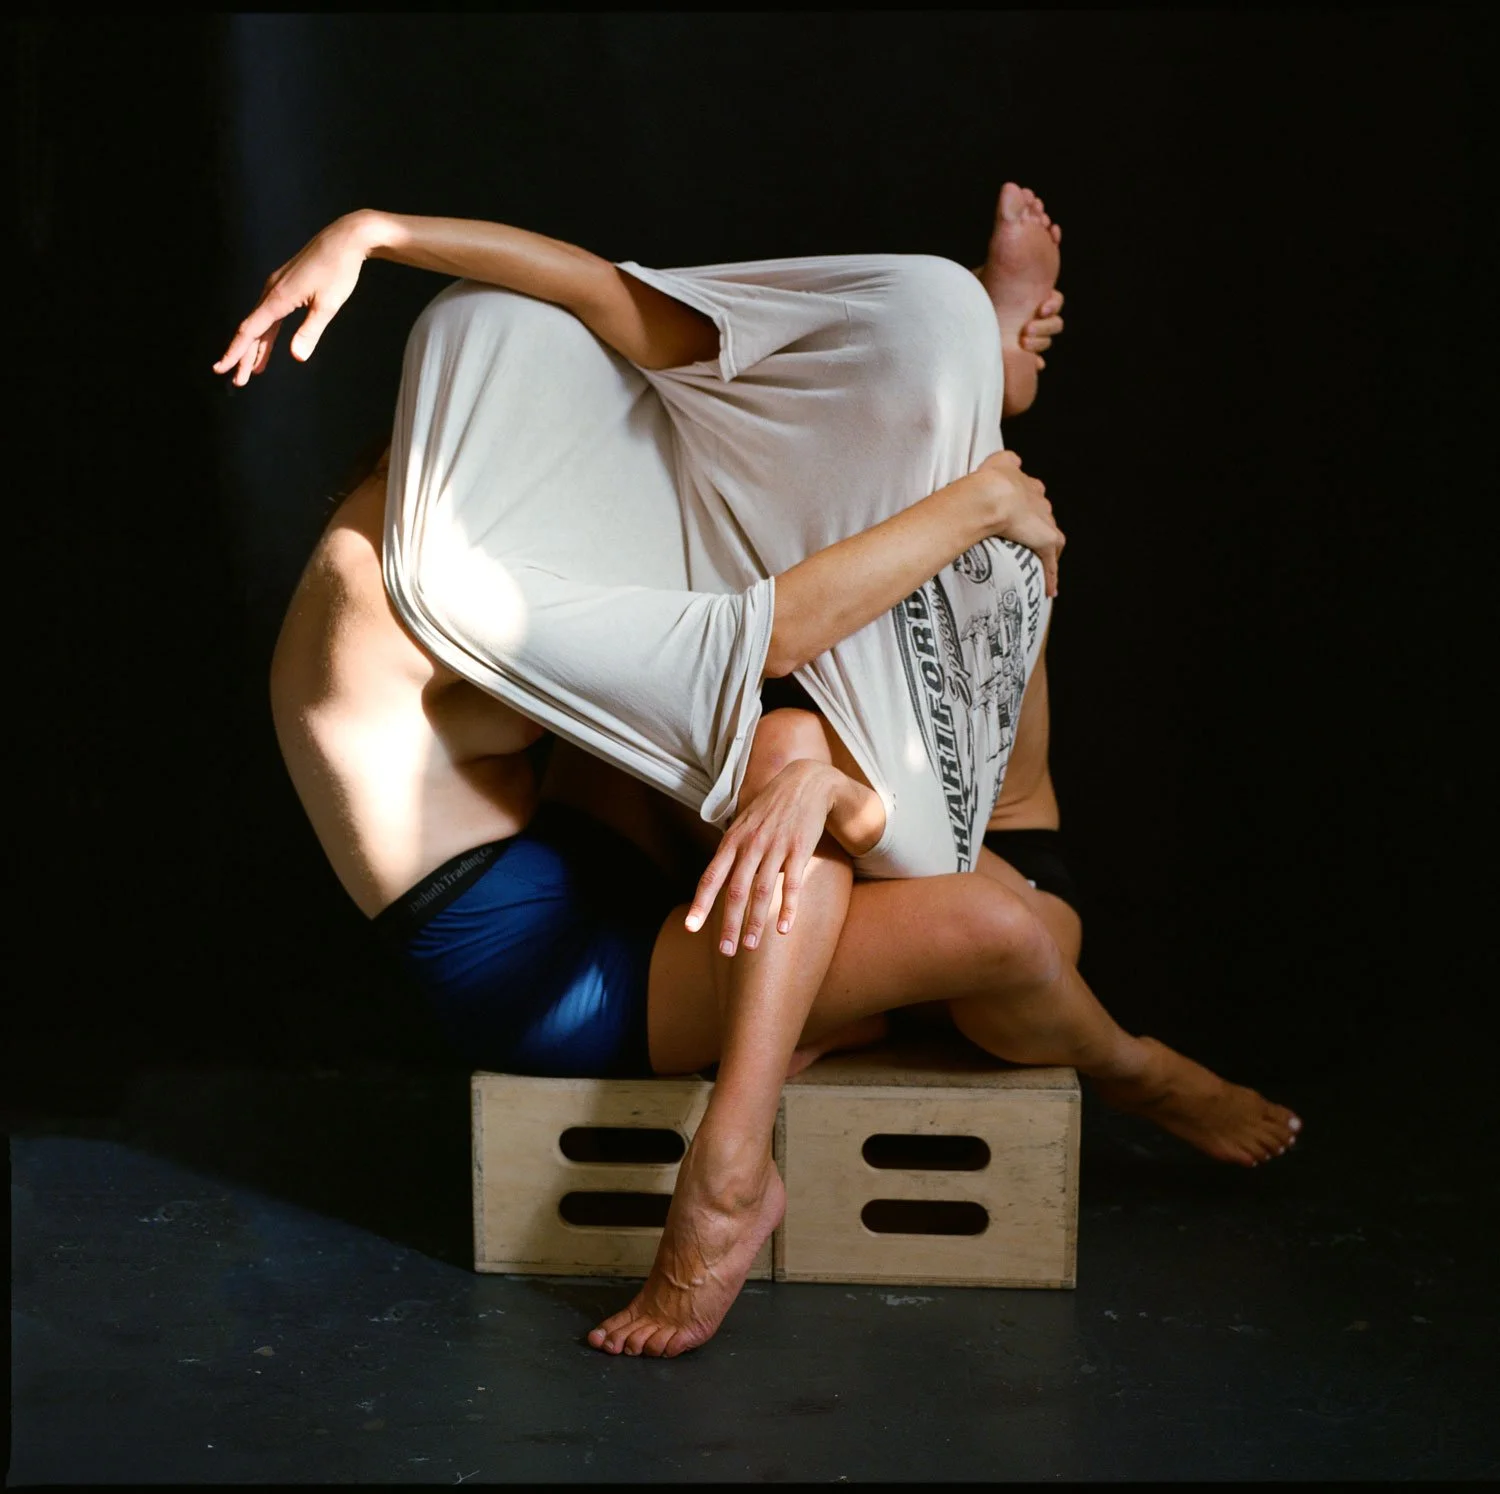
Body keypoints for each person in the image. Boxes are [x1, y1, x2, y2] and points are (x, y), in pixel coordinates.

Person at [219, 184, 1301, 1360]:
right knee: (1011, 929)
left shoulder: (460, 461)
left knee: (813, 734)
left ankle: (971, 395)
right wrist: (972, 498)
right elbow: (770, 633)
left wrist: (378, 233)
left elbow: (613, 302)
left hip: (590, 836)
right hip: (550, 974)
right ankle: (786, 1153)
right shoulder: (450, 600)